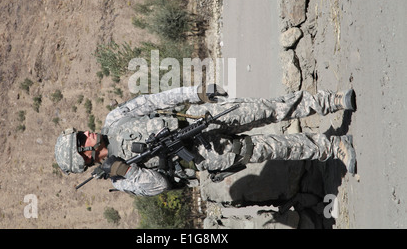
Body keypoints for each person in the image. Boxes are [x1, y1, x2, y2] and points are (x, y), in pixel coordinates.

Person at [55, 85, 357, 196]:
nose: (87, 132)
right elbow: (160, 186)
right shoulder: (119, 180)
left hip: (200, 118)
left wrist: (193, 94)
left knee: (267, 108)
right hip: (209, 156)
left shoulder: (114, 119)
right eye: (82, 139)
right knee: (276, 147)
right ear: (84, 156)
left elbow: (152, 101)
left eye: (82, 132)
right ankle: (333, 147)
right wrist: (127, 171)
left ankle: (331, 101)